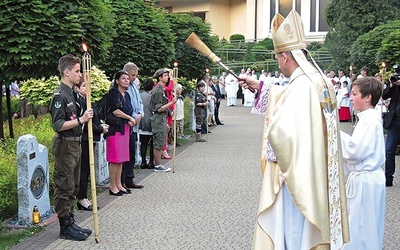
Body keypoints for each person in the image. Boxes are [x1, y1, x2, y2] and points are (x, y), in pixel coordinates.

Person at [239, 10, 349, 249]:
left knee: (293, 230)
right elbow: (288, 99)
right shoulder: (316, 80)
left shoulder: (302, 85)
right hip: (313, 170)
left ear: (286, 57)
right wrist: (260, 87)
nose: (278, 63)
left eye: (278, 58)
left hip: (296, 175)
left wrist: (271, 132)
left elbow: (281, 132)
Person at [50, 54, 94, 241]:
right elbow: (58, 124)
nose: (80, 75)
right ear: (66, 72)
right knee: (64, 186)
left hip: (75, 144)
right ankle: (64, 226)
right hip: (66, 145)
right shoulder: (60, 95)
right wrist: (81, 120)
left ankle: (70, 220)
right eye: (77, 71)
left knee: (74, 185)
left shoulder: (72, 92)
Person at [340, 77, 385, 249]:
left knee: (361, 227)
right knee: (364, 226)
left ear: (368, 97)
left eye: (354, 94)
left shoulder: (370, 121)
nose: (351, 98)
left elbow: (356, 151)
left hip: (366, 180)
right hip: (367, 178)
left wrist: (335, 132)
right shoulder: (367, 118)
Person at [75, 78, 109, 211]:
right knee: (83, 169)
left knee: (88, 169)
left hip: (91, 138)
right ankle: (81, 198)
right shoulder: (79, 102)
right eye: (83, 86)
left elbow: (93, 119)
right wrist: (100, 129)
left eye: (87, 86)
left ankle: (84, 196)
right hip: (84, 139)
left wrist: (100, 125)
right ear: (77, 88)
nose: (86, 88)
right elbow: (83, 123)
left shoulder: (88, 100)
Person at [106, 70, 137, 196]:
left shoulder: (127, 95)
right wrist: (129, 118)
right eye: (123, 78)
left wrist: (130, 120)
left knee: (121, 158)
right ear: (117, 81)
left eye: (127, 79)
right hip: (115, 129)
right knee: (115, 159)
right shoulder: (114, 93)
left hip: (125, 128)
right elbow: (115, 110)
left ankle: (119, 184)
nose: (126, 80)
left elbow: (129, 110)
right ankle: (112, 185)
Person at [121, 62, 144, 189]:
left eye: (135, 75)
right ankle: (122, 180)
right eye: (132, 75)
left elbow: (139, 102)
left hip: (135, 123)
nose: (134, 78)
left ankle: (130, 178)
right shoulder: (121, 86)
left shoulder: (134, 85)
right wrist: (134, 117)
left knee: (131, 151)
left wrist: (140, 114)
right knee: (124, 152)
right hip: (126, 123)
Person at [151, 68, 176, 172]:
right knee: (158, 142)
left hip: (162, 118)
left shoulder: (163, 89)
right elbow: (159, 108)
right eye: (165, 75)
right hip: (158, 118)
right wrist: (171, 103)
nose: (167, 77)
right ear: (160, 77)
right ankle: (157, 165)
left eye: (167, 75)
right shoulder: (158, 90)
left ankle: (158, 164)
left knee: (161, 141)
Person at [382, 64, 400, 186]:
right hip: (395, 121)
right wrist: (392, 85)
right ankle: (388, 178)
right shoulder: (395, 86)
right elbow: (384, 95)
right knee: (389, 151)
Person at [139, 78, 155, 169]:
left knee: (143, 143)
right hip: (151, 121)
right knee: (152, 143)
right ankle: (151, 162)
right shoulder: (152, 96)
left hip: (142, 121)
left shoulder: (140, 95)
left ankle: (143, 161)